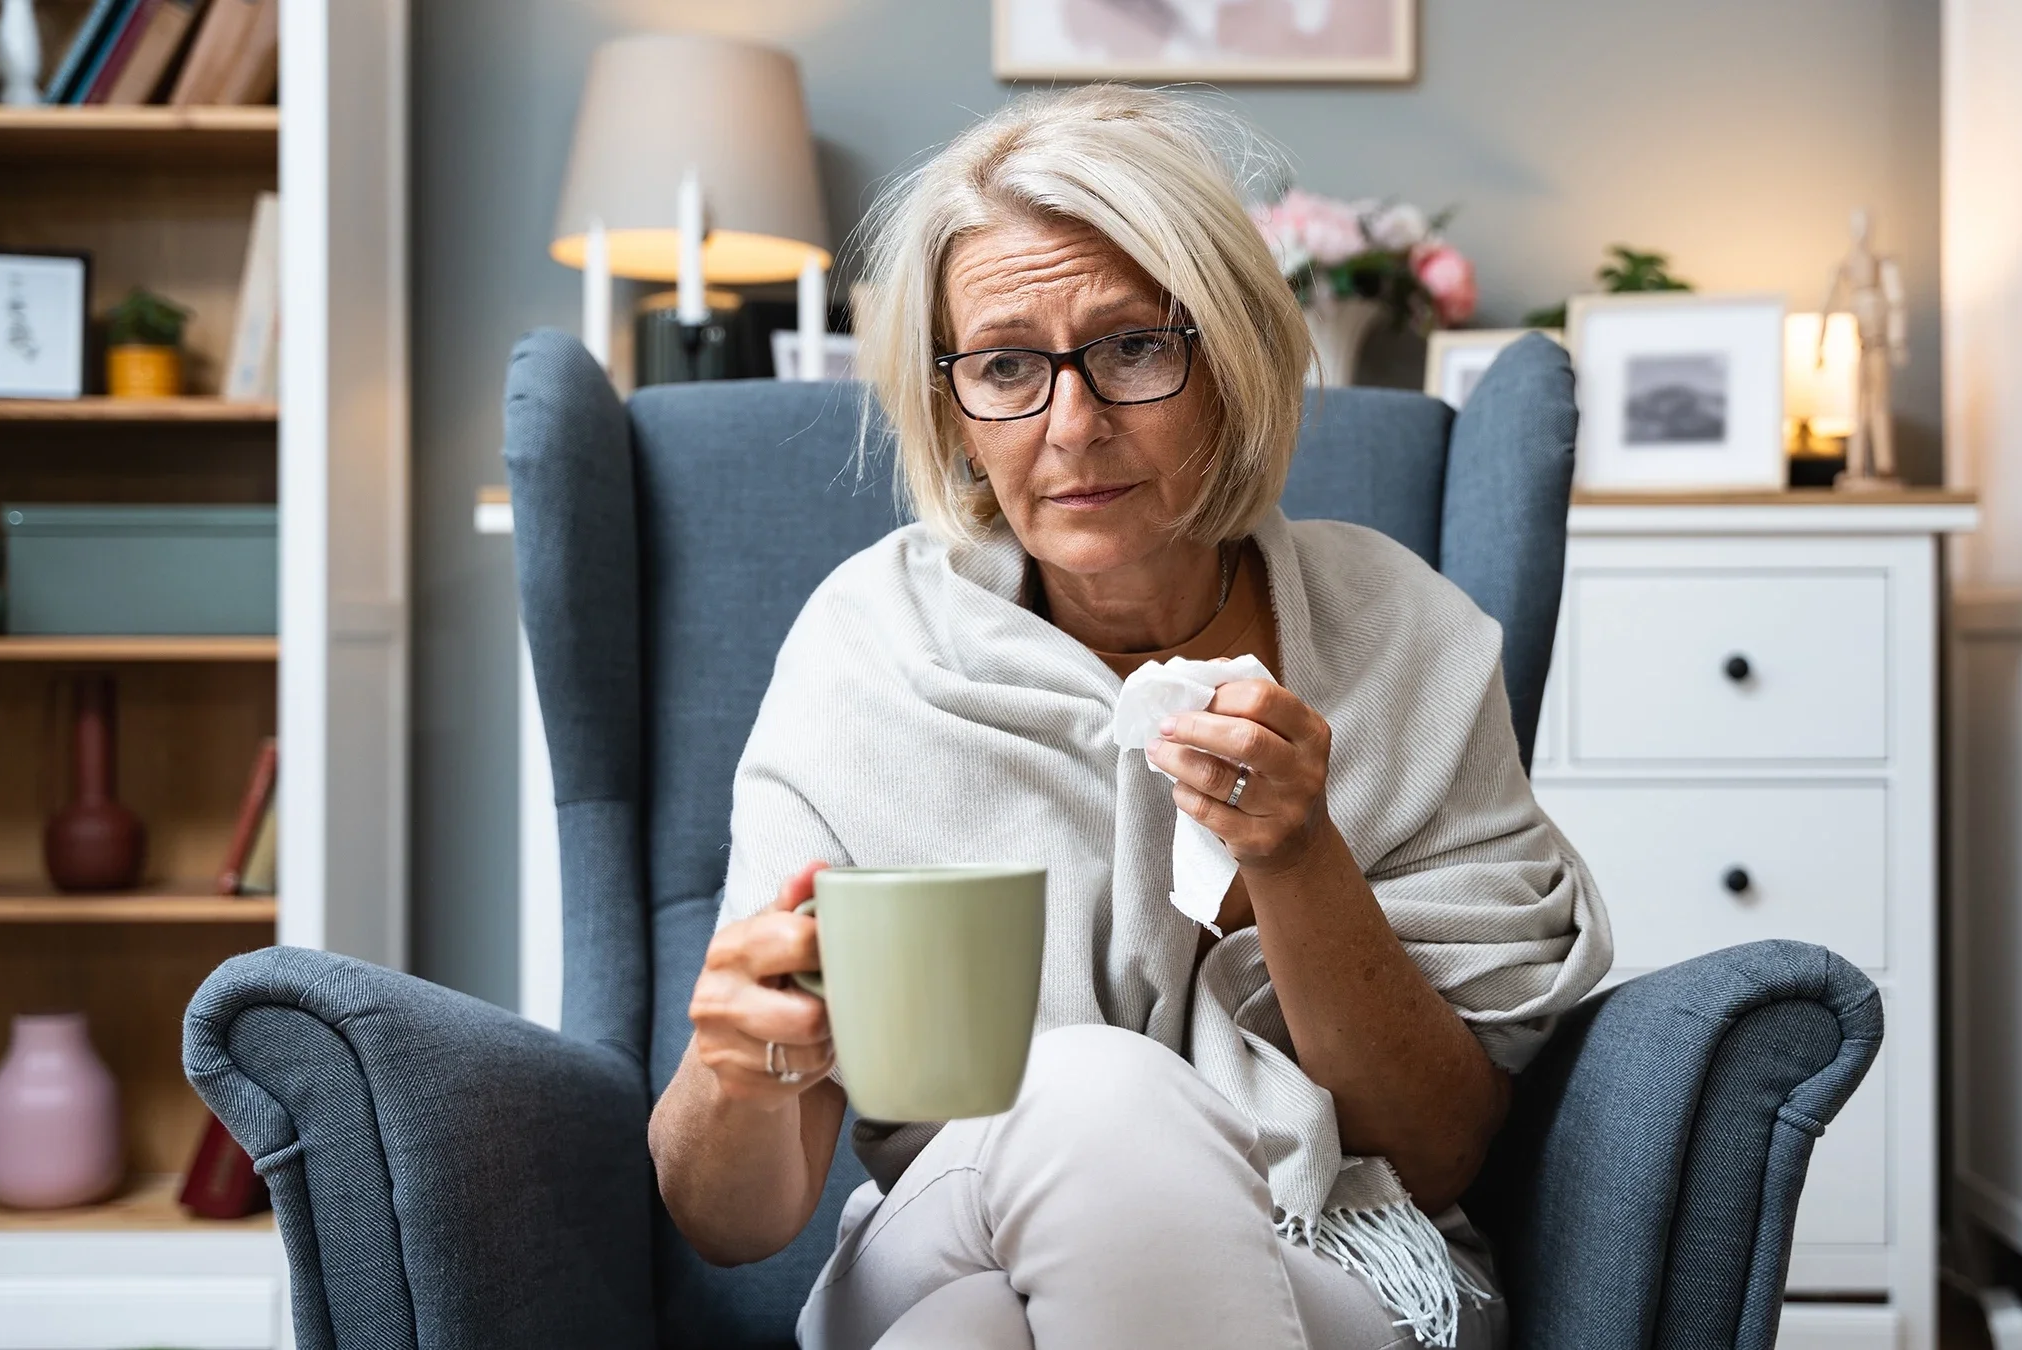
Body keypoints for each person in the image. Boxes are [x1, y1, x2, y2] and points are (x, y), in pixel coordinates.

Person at [646, 83, 1612, 1350]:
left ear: (1232, 357)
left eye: (1134, 347)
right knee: (1094, 1095)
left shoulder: (1399, 633)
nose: (1074, 425)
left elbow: (1436, 1151)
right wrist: (734, 1067)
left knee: (972, 1337)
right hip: (955, 1210)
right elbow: (733, 1223)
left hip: (1333, 1240)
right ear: (951, 406)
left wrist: (1297, 856)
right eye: (1005, 365)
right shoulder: (869, 648)